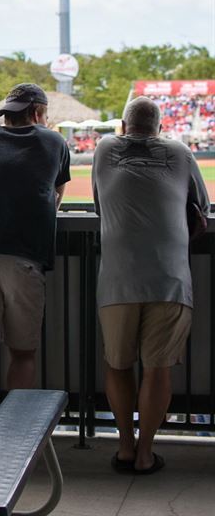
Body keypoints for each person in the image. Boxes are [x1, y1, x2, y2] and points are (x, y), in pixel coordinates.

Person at [93, 97, 209, 475]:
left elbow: (99, 204)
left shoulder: (106, 148)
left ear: (124, 127)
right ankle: (146, 453)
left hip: (118, 279)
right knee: (158, 370)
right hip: (170, 278)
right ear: (160, 128)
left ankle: (125, 448)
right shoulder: (178, 151)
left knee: (117, 364)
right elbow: (201, 211)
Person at [0, 83, 70, 425]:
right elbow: (56, 196)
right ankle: (10, 433)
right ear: (38, 112)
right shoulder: (53, 141)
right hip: (23, 258)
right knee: (22, 354)